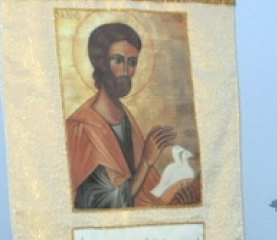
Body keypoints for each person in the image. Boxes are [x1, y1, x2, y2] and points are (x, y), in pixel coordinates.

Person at [65, 22, 199, 209]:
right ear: (101, 62)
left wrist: (173, 194)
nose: (126, 72)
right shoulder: (81, 128)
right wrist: (146, 161)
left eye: (132, 62)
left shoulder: (125, 118)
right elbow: (101, 205)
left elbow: (145, 193)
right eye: (118, 60)